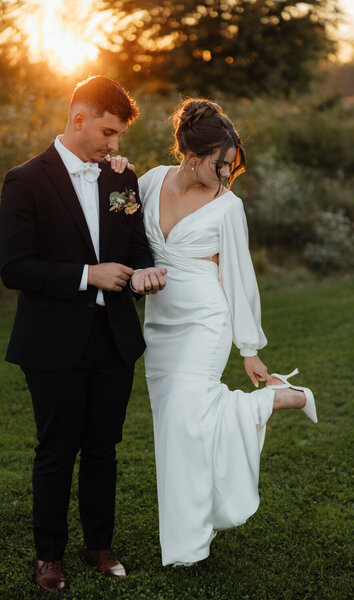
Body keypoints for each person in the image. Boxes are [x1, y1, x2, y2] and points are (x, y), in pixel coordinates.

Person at [112, 98, 318, 567]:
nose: (225, 174)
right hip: (160, 326)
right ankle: (188, 535)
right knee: (174, 431)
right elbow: (119, 224)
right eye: (220, 164)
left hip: (205, 320)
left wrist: (249, 349)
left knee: (189, 418)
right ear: (191, 150)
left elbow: (239, 277)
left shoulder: (228, 207)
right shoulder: (147, 182)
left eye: (230, 167)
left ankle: (279, 397)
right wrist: (114, 172)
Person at [0, 76, 167, 593]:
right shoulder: (25, 180)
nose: (115, 145)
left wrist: (143, 273)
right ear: (79, 120)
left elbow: (136, 246)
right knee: (56, 451)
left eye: (118, 136)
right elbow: (12, 266)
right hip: (52, 341)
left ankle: (100, 545)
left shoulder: (120, 179)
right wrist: (85, 275)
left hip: (114, 338)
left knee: (103, 449)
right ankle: (49, 556)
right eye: (109, 132)